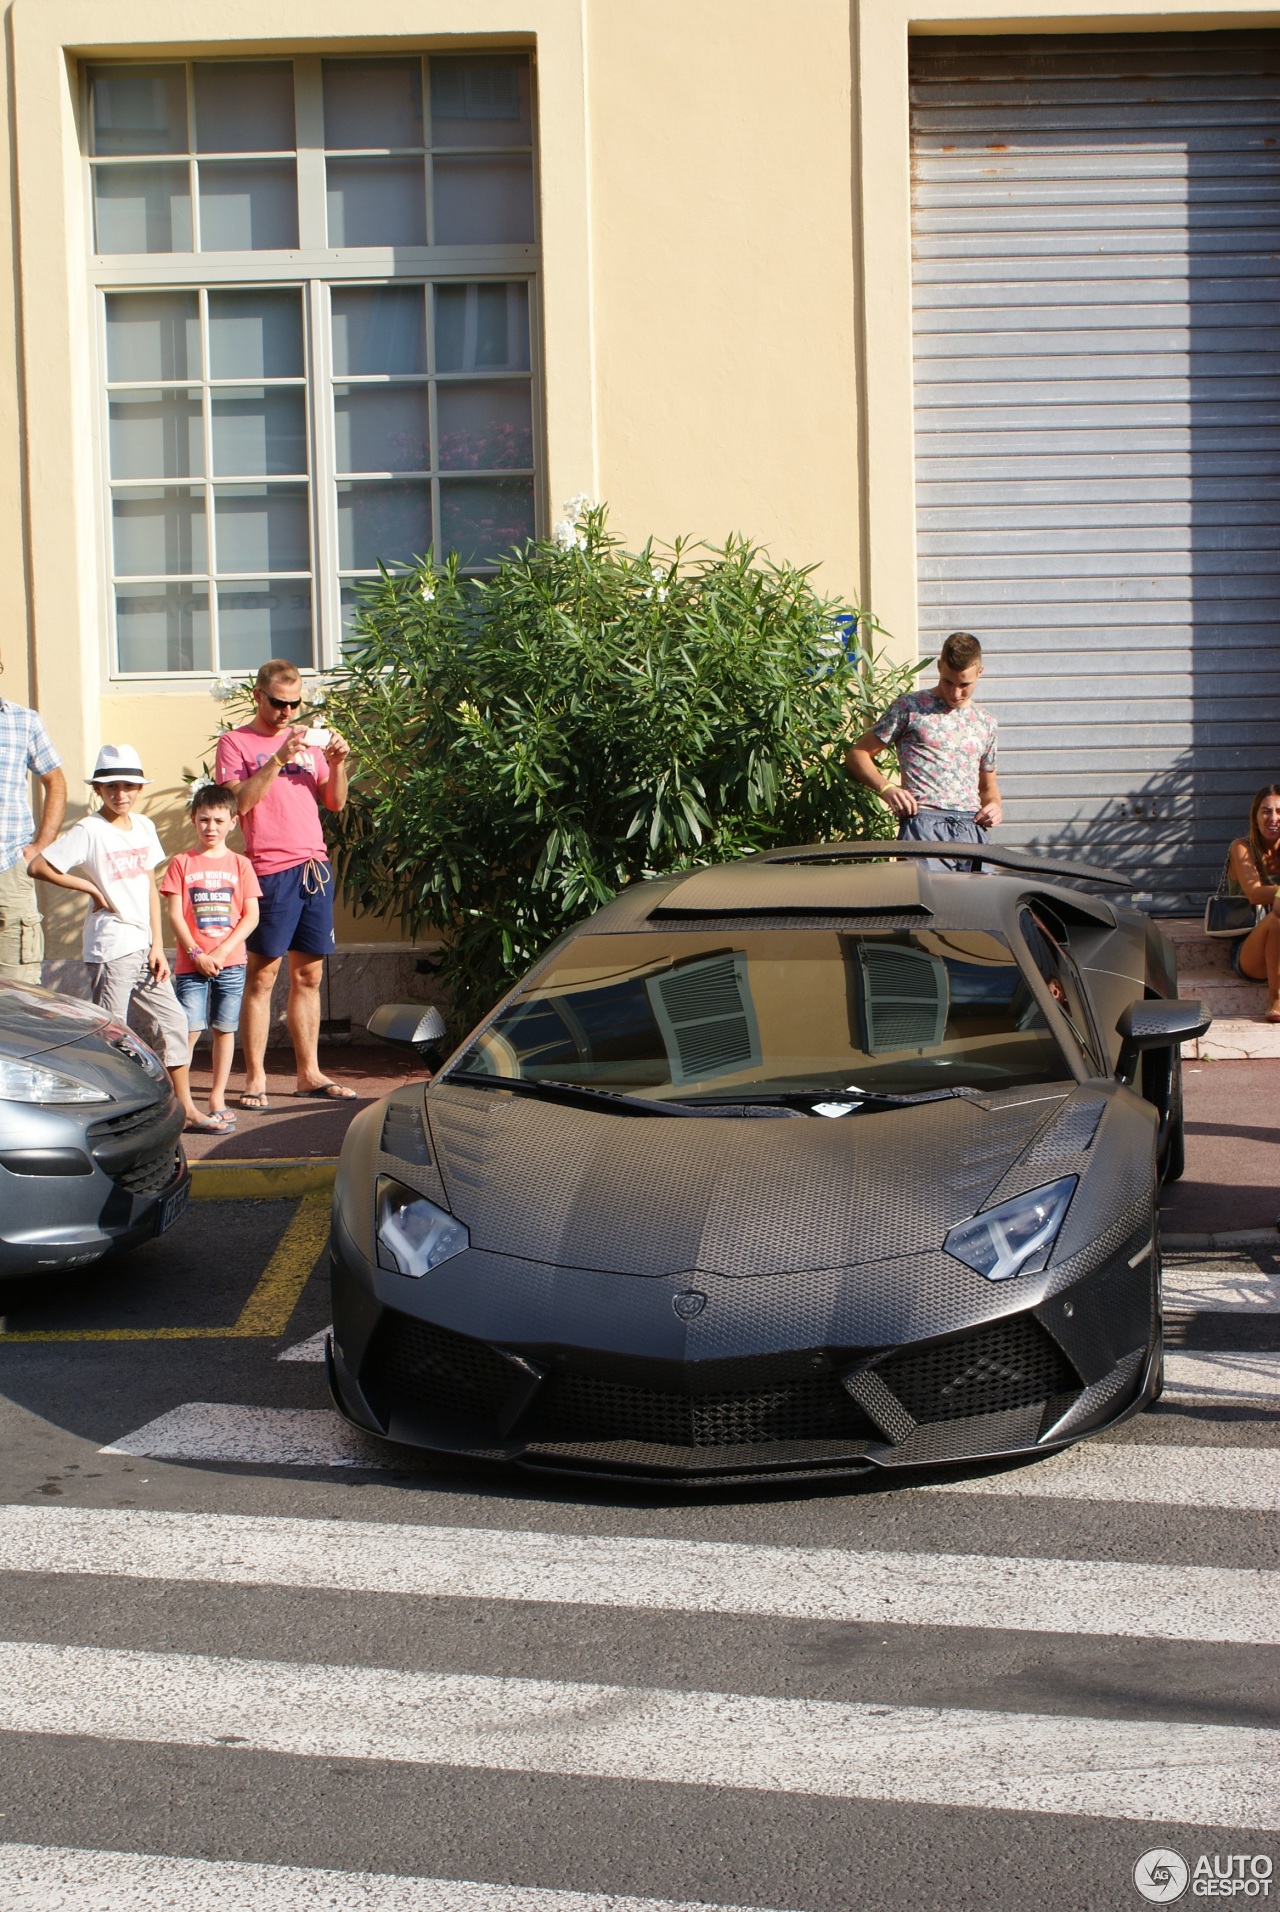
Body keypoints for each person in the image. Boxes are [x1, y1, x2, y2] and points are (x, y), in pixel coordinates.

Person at [27, 744, 214, 1132]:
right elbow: (38, 865)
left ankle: (186, 1108)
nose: (121, 794)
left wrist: (156, 945)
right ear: (98, 789)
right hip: (110, 946)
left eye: (129, 786)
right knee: (113, 1033)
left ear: (139, 788)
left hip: (143, 946)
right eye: (111, 786)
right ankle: (117, 1118)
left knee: (175, 1024)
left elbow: (148, 882)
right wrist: (92, 889)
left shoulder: (144, 826)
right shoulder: (89, 830)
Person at [214, 659, 354, 1109]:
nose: (287, 713)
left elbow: (334, 803)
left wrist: (338, 763)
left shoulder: (309, 745)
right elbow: (238, 804)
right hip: (269, 869)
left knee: (308, 975)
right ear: (258, 694)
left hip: (313, 867)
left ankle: (308, 1074)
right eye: (278, 703)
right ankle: (254, 1078)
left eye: (295, 705)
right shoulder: (236, 743)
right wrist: (276, 758)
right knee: (262, 976)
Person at [844, 631, 1002, 870]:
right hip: (924, 825)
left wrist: (995, 808)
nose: (955, 693)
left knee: (977, 907)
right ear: (939, 667)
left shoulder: (986, 723)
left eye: (964, 685)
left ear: (980, 672)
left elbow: (988, 788)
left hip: (972, 830)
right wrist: (886, 788)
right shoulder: (910, 707)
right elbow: (858, 755)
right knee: (926, 905)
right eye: (948, 682)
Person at [160, 782, 262, 1132]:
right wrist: (197, 953)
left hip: (231, 964)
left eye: (219, 820)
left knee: (224, 1029)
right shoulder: (181, 863)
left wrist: (218, 952)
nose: (211, 827)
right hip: (192, 966)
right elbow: (175, 915)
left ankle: (216, 1097)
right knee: (187, 1030)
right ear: (193, 820)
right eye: (204, 820)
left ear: (233, 822)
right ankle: (182, 1100)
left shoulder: (241, 865)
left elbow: (251, 916)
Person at [0, 662, 67, 986]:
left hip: (9, 867)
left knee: (19, 988)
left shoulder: (22, 721)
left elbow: (55, 780)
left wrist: (41, 846)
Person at [1225, 783, 1280, 1022]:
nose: (1273, 818)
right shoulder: (1242, 848)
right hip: (1249, 951)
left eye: (1279, 811)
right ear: (1255, 816)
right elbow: (1255, 893)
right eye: (1266, 811)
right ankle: (1276, 998)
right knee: (1278, 917)